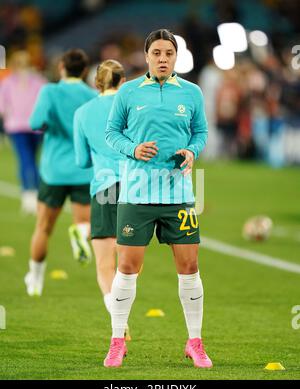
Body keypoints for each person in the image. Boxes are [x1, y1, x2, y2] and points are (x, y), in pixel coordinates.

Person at [104, 29, 212, 368]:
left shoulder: (192, 93)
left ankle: (195, 342)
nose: (162, 58)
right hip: (137, 194)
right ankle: (117, 340)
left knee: (190, 266)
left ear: (176, 57)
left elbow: (201, 132)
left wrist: (193, 152)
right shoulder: (129, 92)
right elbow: (112, 133)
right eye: (156, 53)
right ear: (147, 56)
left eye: (168, 53)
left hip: (179, 195)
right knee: (126, 267)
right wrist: (133, 148)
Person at [24, 49, 96, 296]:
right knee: (84, 223)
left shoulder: (50, 91)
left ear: (62, 68)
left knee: (43, 228)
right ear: (85, 71)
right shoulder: (92, 95)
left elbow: (35, 123)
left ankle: (35, 281)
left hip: (54, 169)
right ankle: (80, 233)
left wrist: (50, 124)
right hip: (84, 169)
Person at [73, 59, 131, 339]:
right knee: (129, 259)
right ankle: (123, 312)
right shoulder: (133, 108)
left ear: (96, 82)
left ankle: (116, 318)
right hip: (137, 186)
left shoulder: (83, 112)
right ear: (122, 81)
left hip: (105, 187)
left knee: (104, 262)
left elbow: (82, 160)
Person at [0, 51, 46, 213]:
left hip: (16, 127)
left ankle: (29, 195)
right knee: (33, 159)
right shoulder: (39, 81)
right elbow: (45, 105)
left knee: (25, 159)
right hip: (36, 127)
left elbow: (2, 107)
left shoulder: (8, 82)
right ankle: (37, 193)